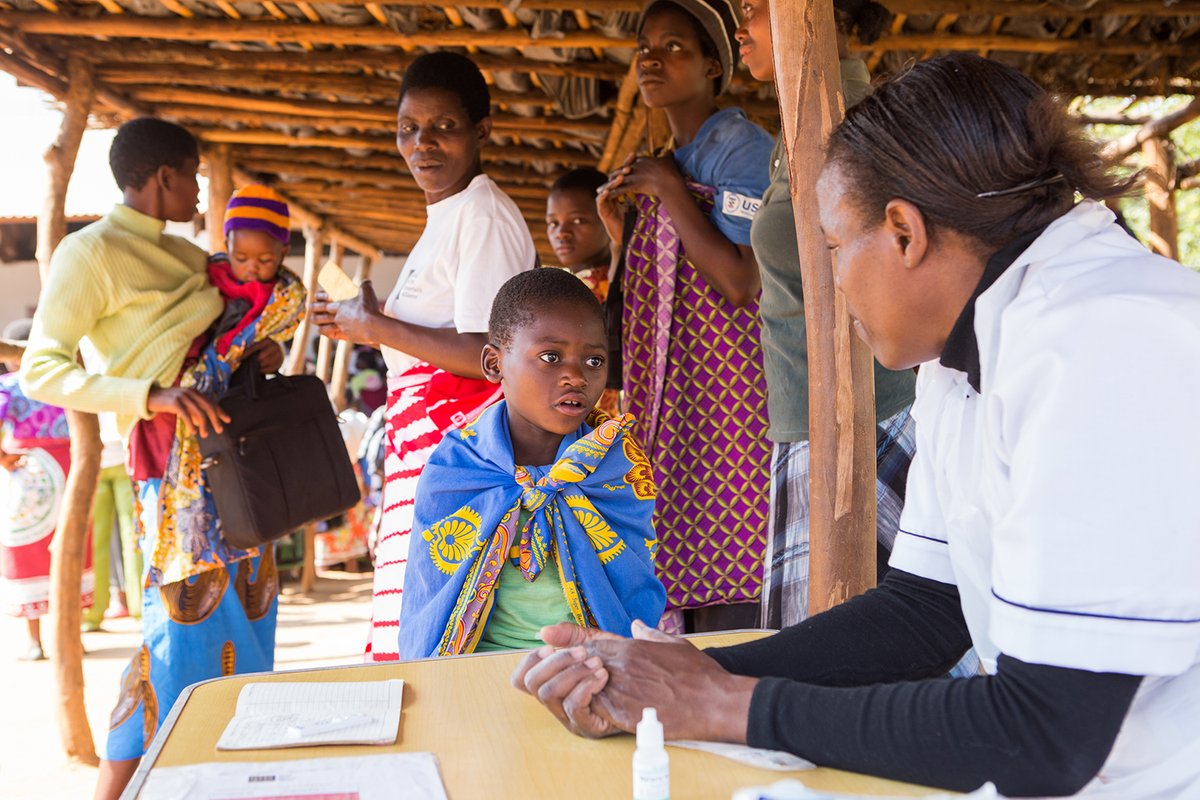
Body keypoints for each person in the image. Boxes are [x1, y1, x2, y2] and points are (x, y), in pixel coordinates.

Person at [513, 54, 1200, 799]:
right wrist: (696, 672)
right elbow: (925, 610)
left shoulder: (1107, 342)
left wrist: (717, 704)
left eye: (836, 249)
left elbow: (1043, 734)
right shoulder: (966, 349)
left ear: (903, 232)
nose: (832, 285)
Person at [19, 117, 296, 800]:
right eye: (195, 176)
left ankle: (233, 782)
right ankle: (140, 785)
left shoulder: (190, 258)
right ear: (166, 176)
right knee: (177, 630)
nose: (201, 193)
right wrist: (148, 393)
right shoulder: (89, 254)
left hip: (242, 461)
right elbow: (41, 371)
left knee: (252, 619)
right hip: (175, 477)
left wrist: (271, 352)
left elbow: (243, 326)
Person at [312, 51, 537, 662]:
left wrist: (377, 323)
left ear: (481, 130)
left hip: (454, 458)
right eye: (408, 129)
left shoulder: (482, 215)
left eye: (443, 126)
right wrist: (371, 321)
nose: (422, 145)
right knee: (423, 633)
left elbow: (491, 356)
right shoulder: (446, 217)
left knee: (443, 641)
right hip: (426, 454)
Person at [734, 0, 917, 630]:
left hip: (870, 417)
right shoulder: (797, 134)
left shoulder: (860, 127)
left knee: (863, 640)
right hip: (809, 420)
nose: (741, 23)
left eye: (755, 7)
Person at [598, 0, 774, 633]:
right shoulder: (669, 155)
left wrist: (670, 193)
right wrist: (624, 233)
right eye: (645, 45)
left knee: (735, 562)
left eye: (674, 46)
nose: (650, 57)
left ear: (712, 66)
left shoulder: (740, 150)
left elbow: (738, 278)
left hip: (732, 403)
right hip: (681, 403)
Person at [400, 269, 664, 659]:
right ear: (494, 364)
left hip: (593, 667)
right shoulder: (456, 469)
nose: (575, 376)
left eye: (594, 360)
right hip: (474, 675)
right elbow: (428, 599)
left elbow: (633, 594)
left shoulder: (617, 468)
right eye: (550, 357)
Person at [1, 318, 95, 660]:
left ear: (13, 356)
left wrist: (4, 458)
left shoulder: (11, 386)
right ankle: (73, 637)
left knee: (26, 553)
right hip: (71, 469)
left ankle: (35, 641)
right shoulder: (63, 381)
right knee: (72, 547)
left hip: (27, 472)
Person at [546, 167, 622, 417]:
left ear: (606, 217)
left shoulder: (592, 289)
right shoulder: (579, 285)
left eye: (578, 220)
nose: (562, 233)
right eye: (553, 223)